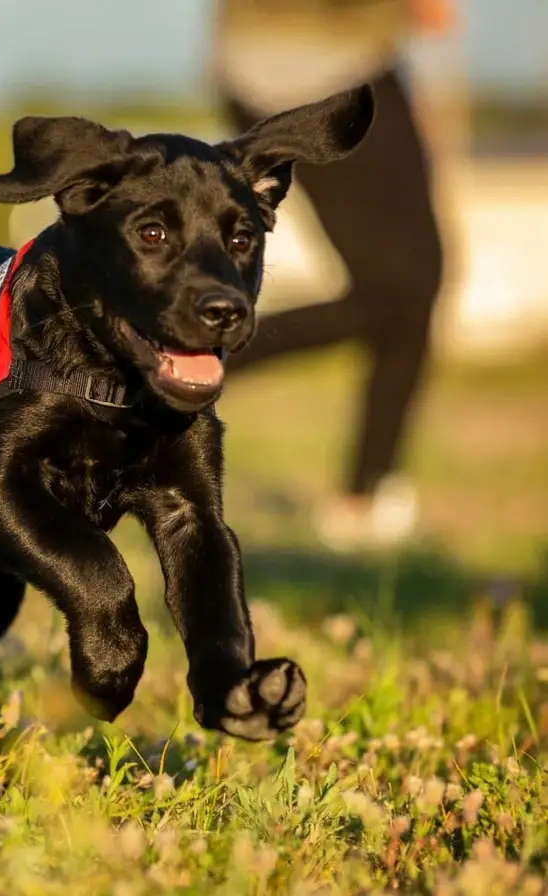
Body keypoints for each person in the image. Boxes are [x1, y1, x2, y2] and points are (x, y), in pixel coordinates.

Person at [208, 0, 459, 550]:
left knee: (408, 287)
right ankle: (203, 358)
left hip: (339, 64)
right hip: (307, 74)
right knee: (404, 289)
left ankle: (365, 495)